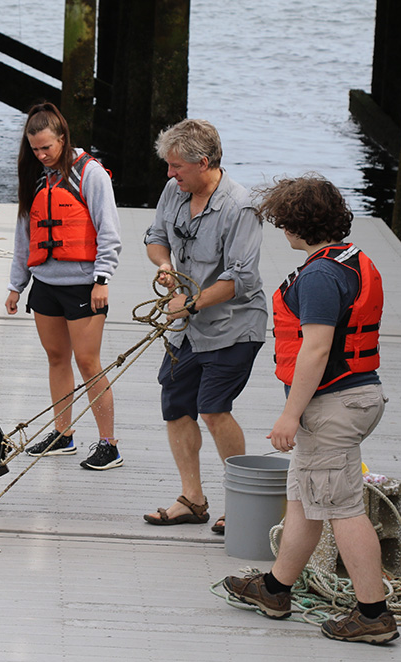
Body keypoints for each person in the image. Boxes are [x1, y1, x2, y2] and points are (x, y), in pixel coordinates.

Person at [224, 174, 398, 644]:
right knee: (304, 497)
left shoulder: (320, 275)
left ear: (297, 224)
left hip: (333, 406)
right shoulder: (352, 259)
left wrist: (289, 415)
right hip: (356, 396)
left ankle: (373, 614)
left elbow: (316, 349)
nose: (281, 229)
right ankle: (276, 589)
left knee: (342, 508)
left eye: (283, 222)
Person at [142, 119, 268, 531]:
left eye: (176, 166)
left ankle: (241, 505)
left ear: (203, 162)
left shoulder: (241, 207)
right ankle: (192, 500)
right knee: (176, 406)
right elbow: (156, 235)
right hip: (186, 326)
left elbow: (242, 278)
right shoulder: (174, 190)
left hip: (233, 325)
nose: (169, 173)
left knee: (213, 410)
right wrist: (164, 265)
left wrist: (191, 302)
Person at [2, 102, 123, 471]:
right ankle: (62, 434)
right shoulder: (36, 176)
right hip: (46, 286)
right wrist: (15, 285)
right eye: (35, 148)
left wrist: (102, 279)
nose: (41, 155)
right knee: (57, 358)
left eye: (47, 148)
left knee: (89, 362)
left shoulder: (90, 174)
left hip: (84, 285)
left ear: (62, 139)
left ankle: (109, 444)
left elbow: (109, 230)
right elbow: (25, 234)